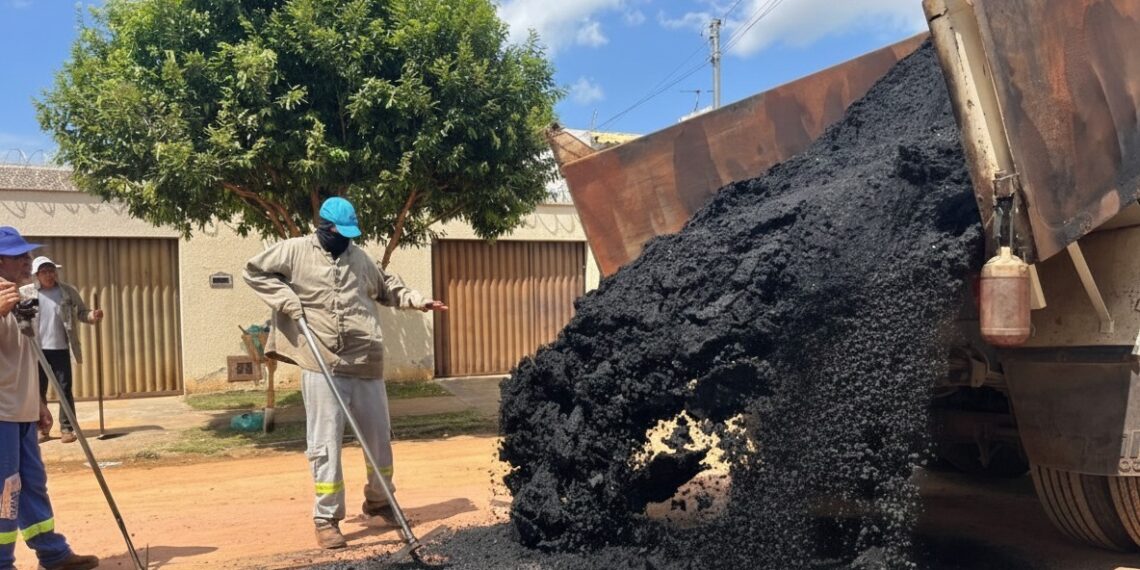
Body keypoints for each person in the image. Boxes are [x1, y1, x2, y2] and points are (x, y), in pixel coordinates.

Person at [243, 198, 448, 550]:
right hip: (321, 362)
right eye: (340, 234)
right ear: (324, 227)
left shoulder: (361, 258)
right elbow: (254, 271)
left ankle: (380, 502)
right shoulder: (294, 252)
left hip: (366, 361)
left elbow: (388, 289)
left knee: (379, 440)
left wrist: (418, 300)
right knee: (325, 444)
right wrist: (287, 300)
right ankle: (327, 517)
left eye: (351, 235)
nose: (346, 241)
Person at [0, 226, 100, 570]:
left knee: (33, 483)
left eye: (28, 254)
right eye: (20, 256)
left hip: (22, 409)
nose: (28, 261)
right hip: (1, 413)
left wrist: (38, 403)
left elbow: (26, 352)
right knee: (5, 491)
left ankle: (53, 553)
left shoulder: (20, 295)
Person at [20, 257, 104, 444]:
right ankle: (42, 429)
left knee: (64, 388)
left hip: (61, 348)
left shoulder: (67, 291)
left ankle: (67, 428)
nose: (49, 275)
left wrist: (93, 316)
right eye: (45, 272)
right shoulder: (26, 293)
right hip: (36, 350)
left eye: (52, 271)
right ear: (37, 275)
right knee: (38, 390)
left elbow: (82, 312)